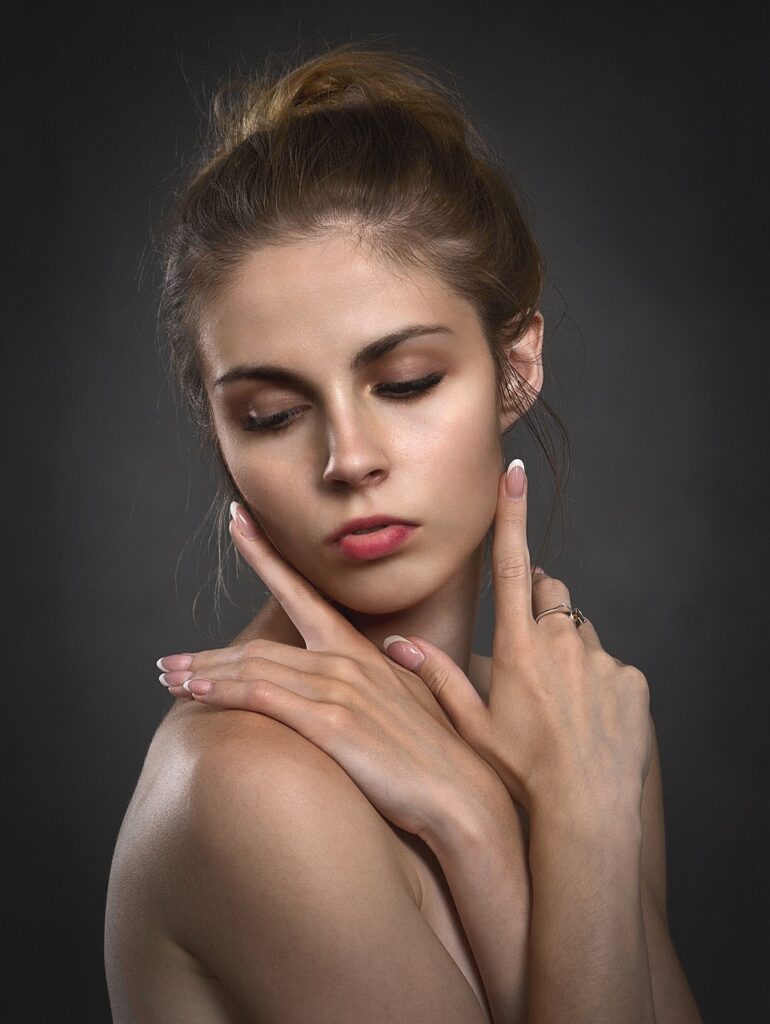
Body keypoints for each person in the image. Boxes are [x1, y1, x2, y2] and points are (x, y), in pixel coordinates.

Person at [104, 42, 703, 1023]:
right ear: (216, 428)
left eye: (405, 381)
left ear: (514, 367)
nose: (348, 457)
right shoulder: (247, 787)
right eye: (269, 414)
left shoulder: (577, 733)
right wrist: (504, 825)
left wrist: (516, 823)